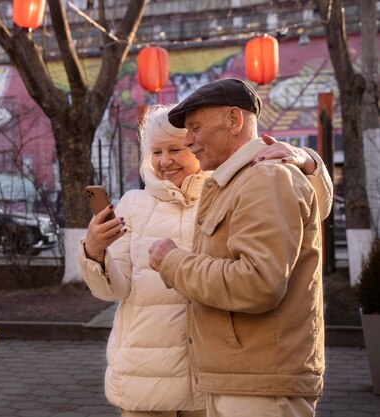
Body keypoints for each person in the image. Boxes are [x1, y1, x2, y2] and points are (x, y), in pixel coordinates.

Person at [80, 99, 332, 416]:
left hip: (213, 376)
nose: (164, 161)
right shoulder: (133, 204)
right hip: (144, 374)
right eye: (156, 152)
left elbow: (313, 209)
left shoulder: (232, 191)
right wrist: (95, 252)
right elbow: (112, 290)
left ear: (196, 145)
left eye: (175, 149)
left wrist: (308, 161)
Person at [148, 78, 330, 417]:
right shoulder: (240, 180)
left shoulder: (266, 178)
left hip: (260, 386)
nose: (188, 141)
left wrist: (173, 263)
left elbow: (258, 283)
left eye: (196, 128)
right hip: (241, 380)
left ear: (234, 120)